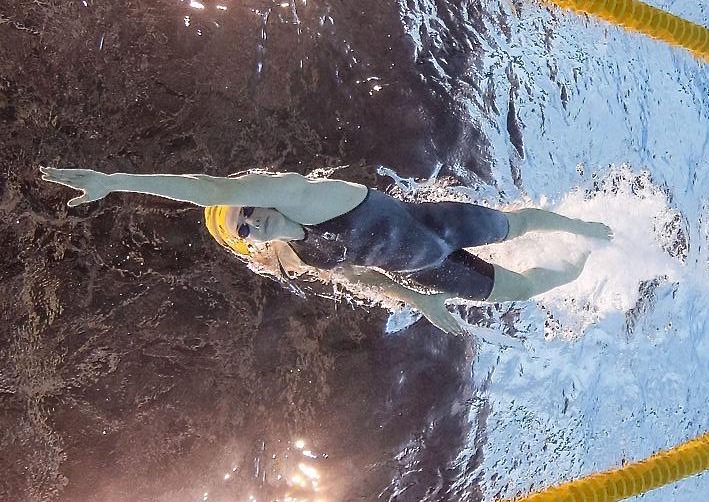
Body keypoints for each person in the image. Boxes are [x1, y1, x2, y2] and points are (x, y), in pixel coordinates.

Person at [40, 166, 612, 334]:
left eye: (249, 207)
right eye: (245, 228)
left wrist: (113, 181)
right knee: (526, 288)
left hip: (441, 224)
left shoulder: (310, 201)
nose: (255, 219)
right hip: (430, 268)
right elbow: (363, 279)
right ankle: (584, 264)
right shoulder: (297, 257)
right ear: (249, 246)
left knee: (517, 225)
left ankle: (585, 226)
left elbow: (212, 190)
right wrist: (420, 303)